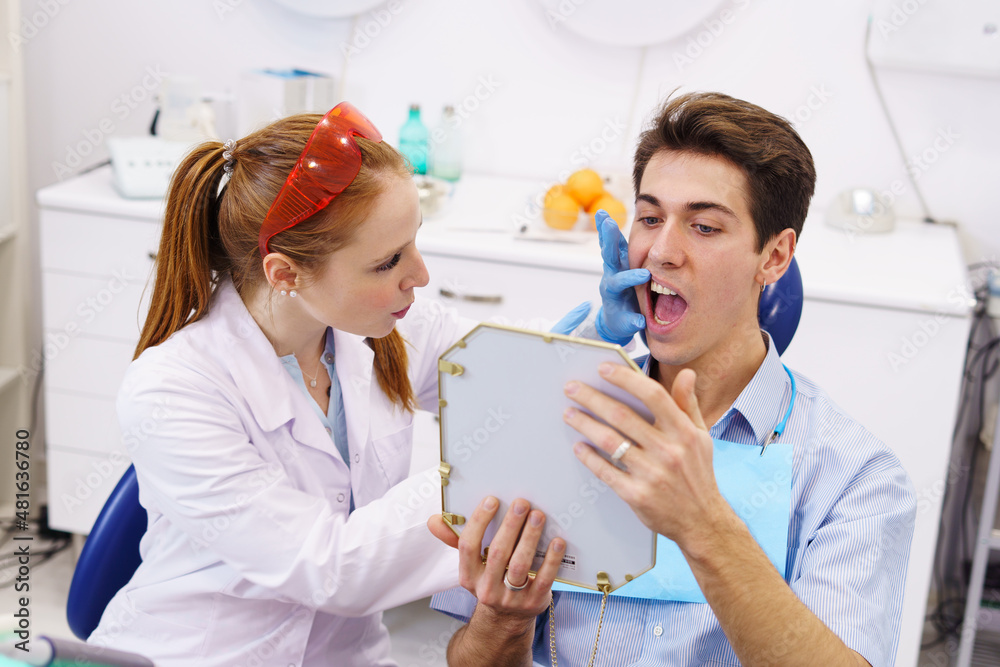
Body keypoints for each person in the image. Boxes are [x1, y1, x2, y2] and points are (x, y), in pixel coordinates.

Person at [429, 92, 917, 666]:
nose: (661, 251)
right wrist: (502, 620)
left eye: (705, 226)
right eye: (651, 217)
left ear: (775, 257)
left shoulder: (853, 479)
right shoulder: (557, 419)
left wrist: (702, 524)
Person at [87, 103, 476, 666]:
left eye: (414, 241)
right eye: (389, 260)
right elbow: (328, 568)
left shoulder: (386, 324)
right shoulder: (173, 389)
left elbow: (504, 362)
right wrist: (474, 476)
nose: (420, 275)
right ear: (286, 273)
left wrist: (611, 326)